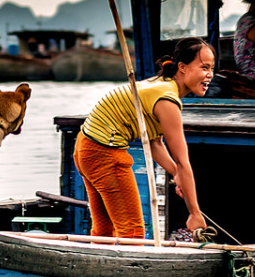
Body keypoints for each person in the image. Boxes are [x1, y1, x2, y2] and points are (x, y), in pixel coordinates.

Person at [73, 36, 213, 239]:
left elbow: (155, 142)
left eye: (211, 69)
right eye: (204, 68)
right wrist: (194, 213)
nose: (210, 75)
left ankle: (103, 268)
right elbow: (183, 162)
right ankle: (124, 270)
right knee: (132, 230)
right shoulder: (168, 100)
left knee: (105, 230)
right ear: (182, 67)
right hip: (104, 151)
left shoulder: (161, 84)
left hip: (85, 147)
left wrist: (176, 175)